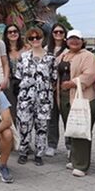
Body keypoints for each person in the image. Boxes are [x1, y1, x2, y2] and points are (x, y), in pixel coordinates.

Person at [56, 30, 95, 177]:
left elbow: (90, 74)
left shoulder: (88, 56)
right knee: (73, 128)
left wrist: (72, 83)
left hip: (84, 97)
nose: (74, 41)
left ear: (82, 41)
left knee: (82, 129)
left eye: (77, 39)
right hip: (65, 97)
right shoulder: (63, 55)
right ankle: (74, 159)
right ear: (66, 41)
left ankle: (82, 165)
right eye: (71, 39)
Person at [15, 27, 57, 166]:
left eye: (37, 37)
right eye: (31, 38)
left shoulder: (50, 58)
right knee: (24, 125)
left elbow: (54, 78)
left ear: (42, 38)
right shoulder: (23, 57)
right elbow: (18, 76)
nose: (35, 40)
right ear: (28, 40)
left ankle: (39, 154)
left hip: (44, 98)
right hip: (25, 98)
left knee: (42, 127)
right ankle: (23, 152)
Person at [45, 22, 69, 157]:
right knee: (52, 119)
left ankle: (70, 145)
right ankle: (52, 144)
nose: (58, 34)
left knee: (67, 118)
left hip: (64, 89)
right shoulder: (46, 49)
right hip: (50, 90)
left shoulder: (69, 50)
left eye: (61, 32)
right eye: (56, 32)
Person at [3, 23, 25, 122]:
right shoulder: (3, 50)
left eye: (15, 31)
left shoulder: (26, 48)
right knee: (12, 111)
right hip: (10, 83)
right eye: (10, 32)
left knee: (24, 111)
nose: (13, 33)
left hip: (24, 82)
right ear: (6, 35)